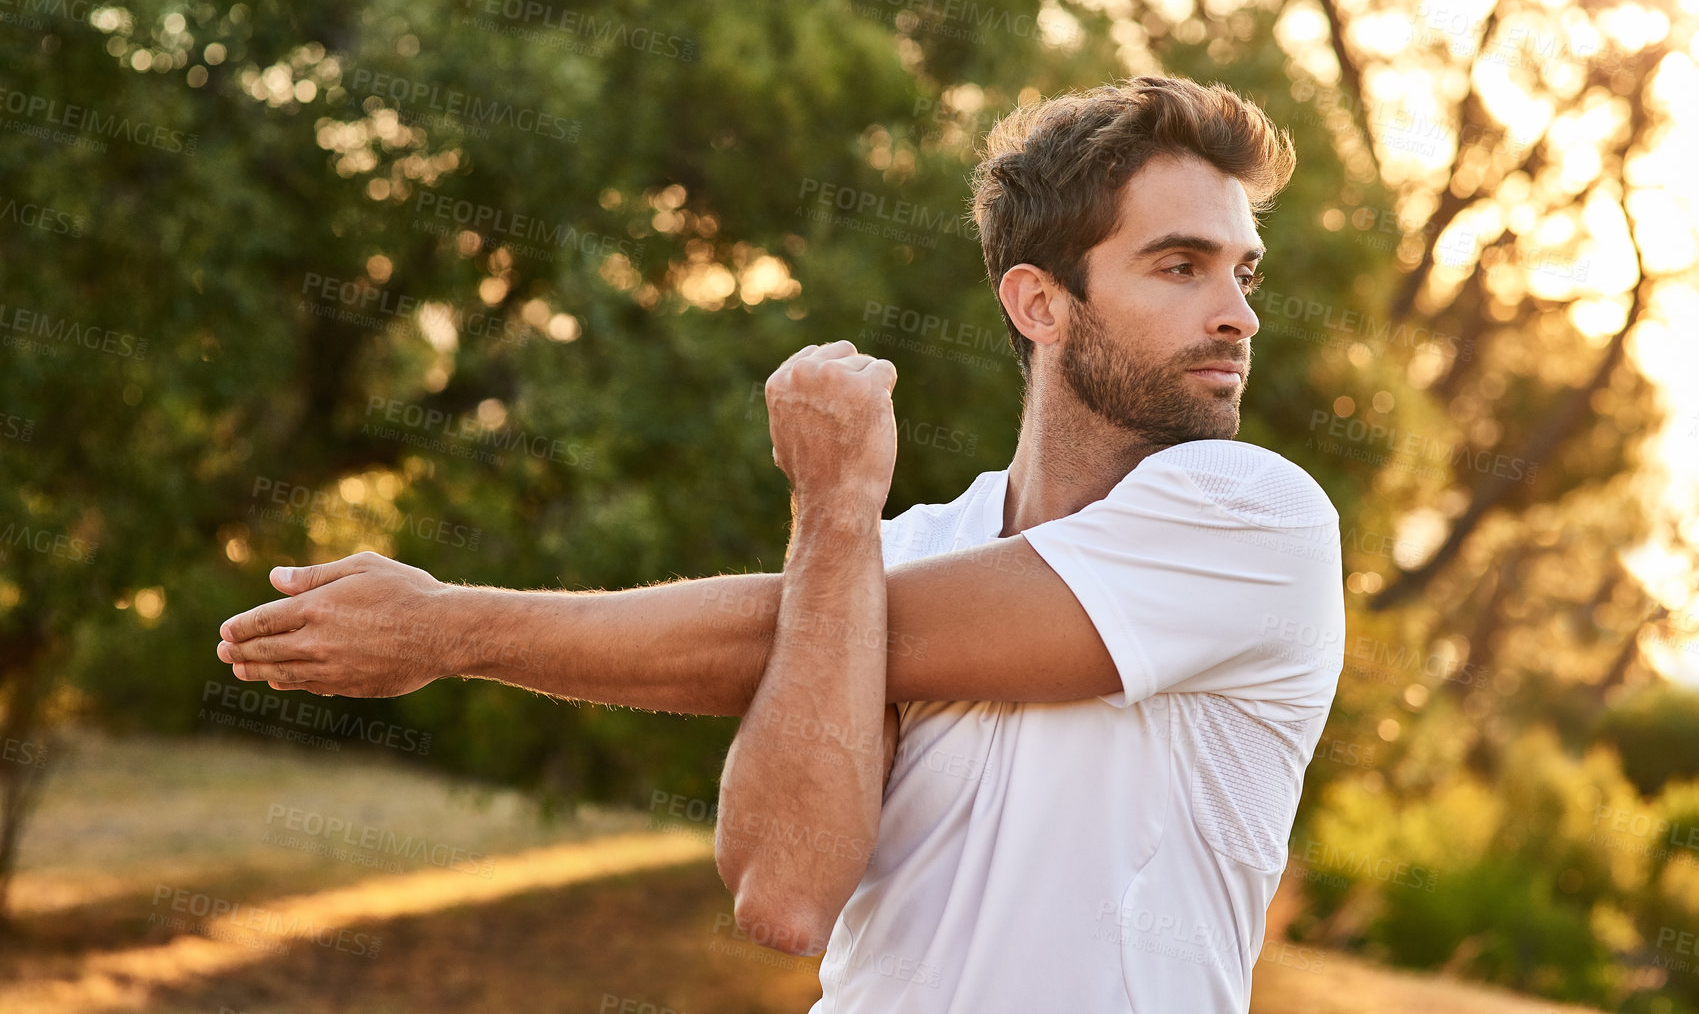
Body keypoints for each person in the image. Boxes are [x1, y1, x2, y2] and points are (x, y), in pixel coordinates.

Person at [217, 75, 1346, 1013]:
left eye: (1243, 271)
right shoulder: (893, 551)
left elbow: (828, 628)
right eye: (1182, 265)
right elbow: (784, 894)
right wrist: (840, 528)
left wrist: (449, 624)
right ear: (1039, 304)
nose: (1240, 313)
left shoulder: (1253, 521)